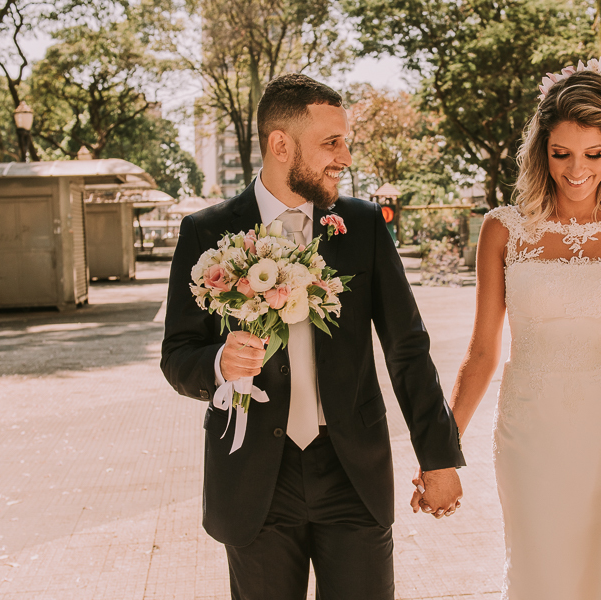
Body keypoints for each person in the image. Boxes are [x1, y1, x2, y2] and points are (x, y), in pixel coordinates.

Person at [160, 73, 465, 600]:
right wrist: (218, 363)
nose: (345, 157)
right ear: (281, 145)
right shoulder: (205, 232)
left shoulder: (363, 225)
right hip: (254, 477)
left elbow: (408, 348)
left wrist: (438, 455)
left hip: (352, 471)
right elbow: (177, 354)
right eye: (332, 142)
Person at [415, 59, 601, 598]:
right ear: (541, 150)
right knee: (539, 572)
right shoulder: (503, 230)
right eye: (561, 153)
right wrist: (441, 450)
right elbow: (482, 352)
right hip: (530, 431)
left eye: (593, 154)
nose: (577, 170)